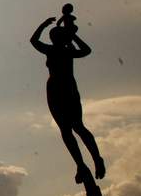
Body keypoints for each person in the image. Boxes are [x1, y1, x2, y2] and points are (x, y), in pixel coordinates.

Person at [30, 16, 105, 183]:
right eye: (52, 37)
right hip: (55, 90)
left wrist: (72, 36)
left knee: (77, 127)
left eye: (55, 36)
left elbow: (86, 50)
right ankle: (81, 165)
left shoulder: (64, 50)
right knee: (66, 130)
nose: (52, 39)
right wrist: (45, 25)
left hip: (66, 89)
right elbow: (33, 41)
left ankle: (96, 159)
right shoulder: (56, 50)